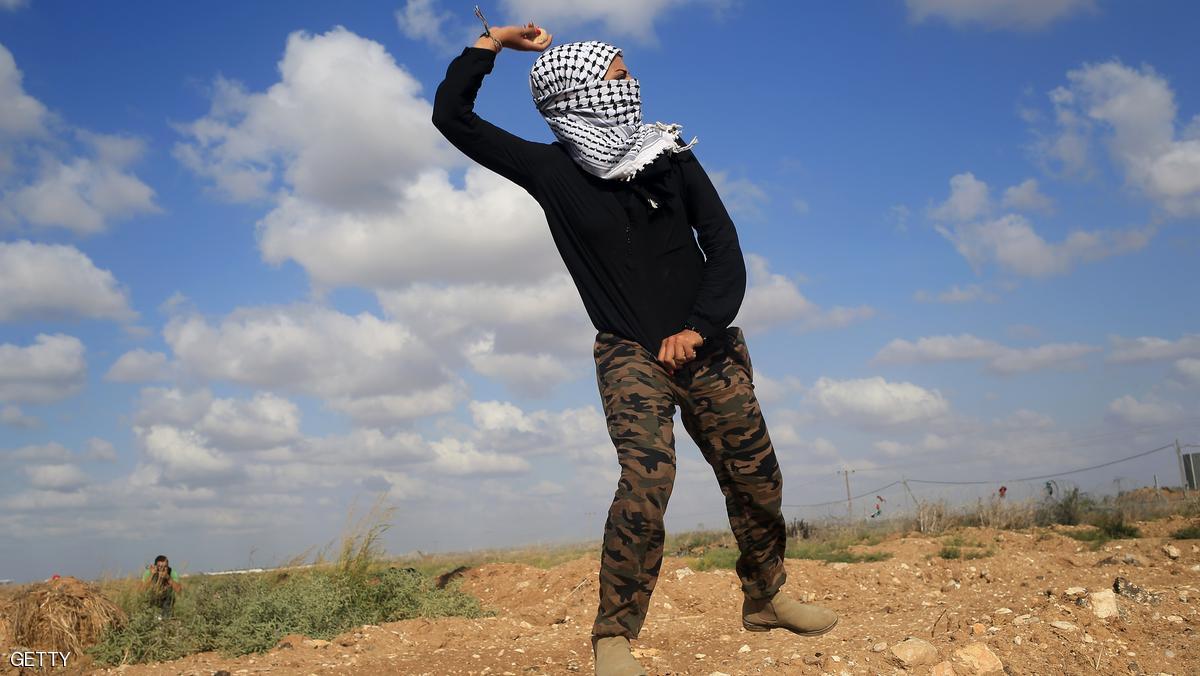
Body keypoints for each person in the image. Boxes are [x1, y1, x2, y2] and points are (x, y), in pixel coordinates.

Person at [432, 16, 838, 676]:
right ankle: (614, 637)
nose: (632, 83)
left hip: (709, 347)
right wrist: (494, 44)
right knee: (647, 482)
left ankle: (767, 597)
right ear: (583, 92)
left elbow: (724, 245)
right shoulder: (549, 170)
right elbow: (453, 117)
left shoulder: (670, 154)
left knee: (758, 481)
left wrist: (700, 327)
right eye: (619, 74)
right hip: (629, 353)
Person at [140, 555, 182, 620]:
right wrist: (152, 575)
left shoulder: (172, 573)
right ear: (155, 566)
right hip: (152, 599)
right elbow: (142, 590)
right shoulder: (148, 572)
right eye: (160, 566)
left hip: (166, 600)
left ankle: (167, 619)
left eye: (165, 566)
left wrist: (168, 578)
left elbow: (179, 590)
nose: (162, 569)